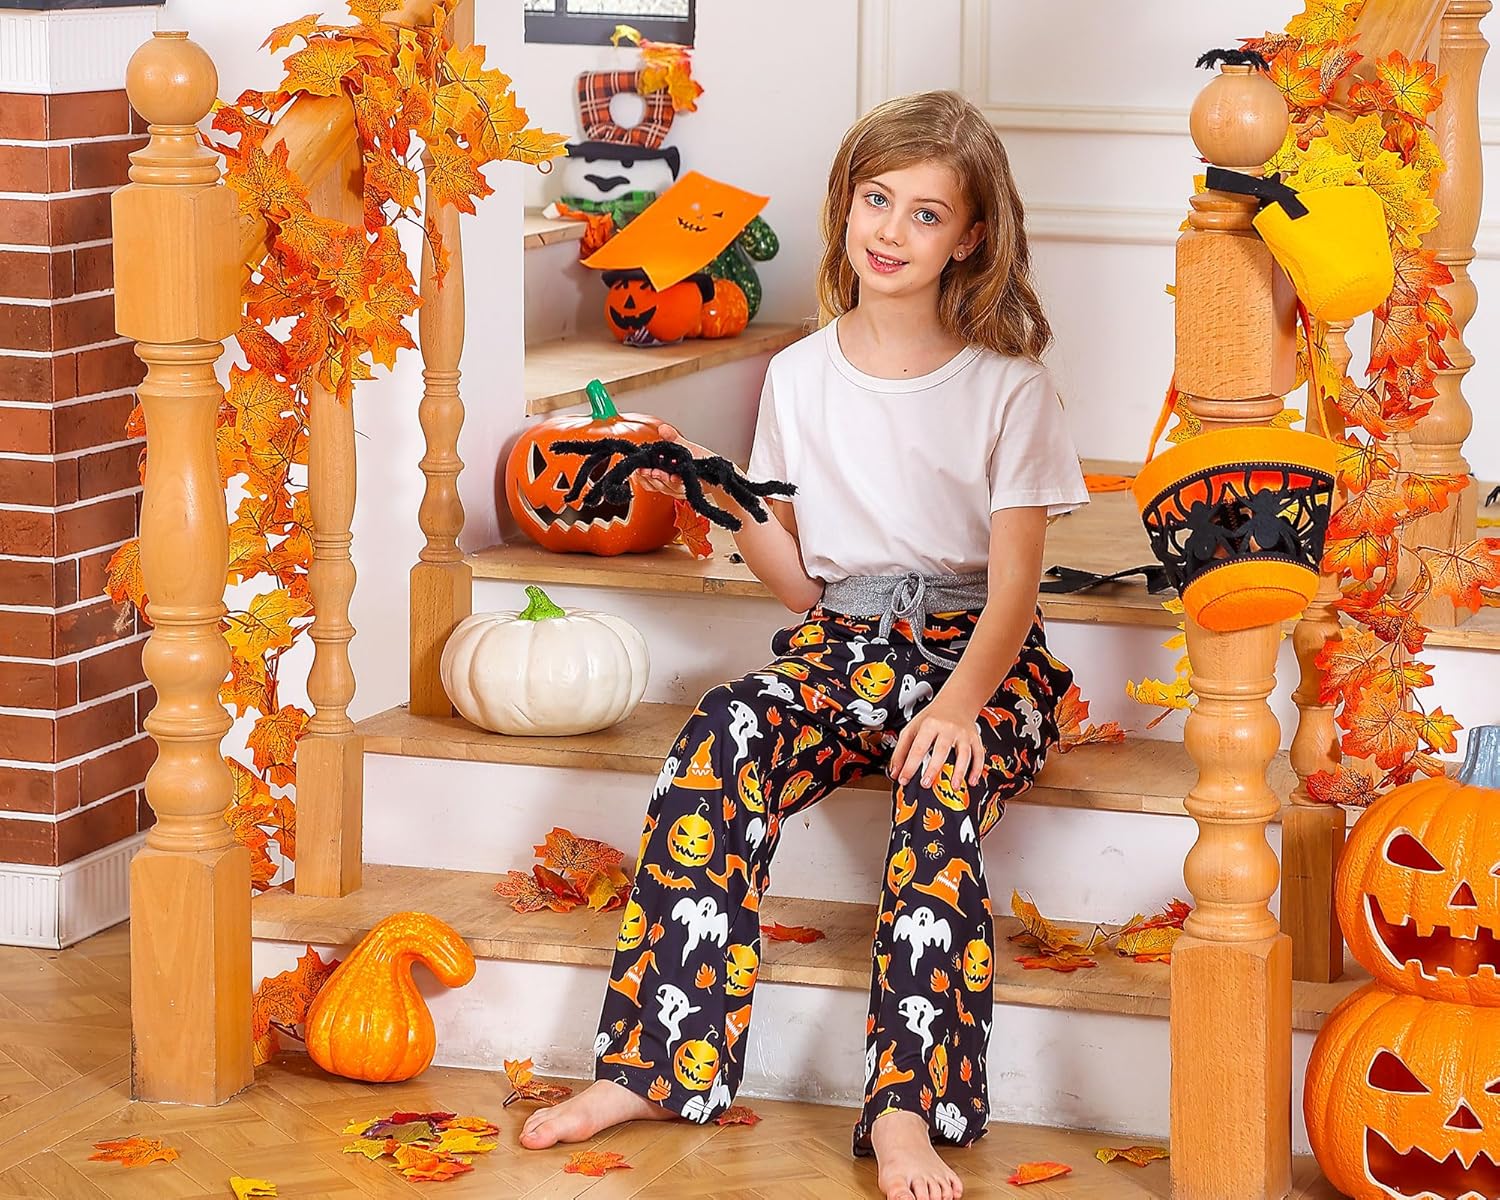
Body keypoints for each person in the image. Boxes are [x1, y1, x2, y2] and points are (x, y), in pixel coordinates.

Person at [520, 89, 1090, 1200]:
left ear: (970, 239)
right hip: (841, 642)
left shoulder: (1010, 389)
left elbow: (1016, 590)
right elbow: (798, 585)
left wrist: (958, 709)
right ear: (845, 204)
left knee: (935, 789)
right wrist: (716, 490)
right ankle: (652, 1067)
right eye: (876, 199)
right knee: (721, 732)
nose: (891, 230)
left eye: (926, 214)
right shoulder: (798, 374)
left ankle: (909, 1108)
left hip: (982, 659)